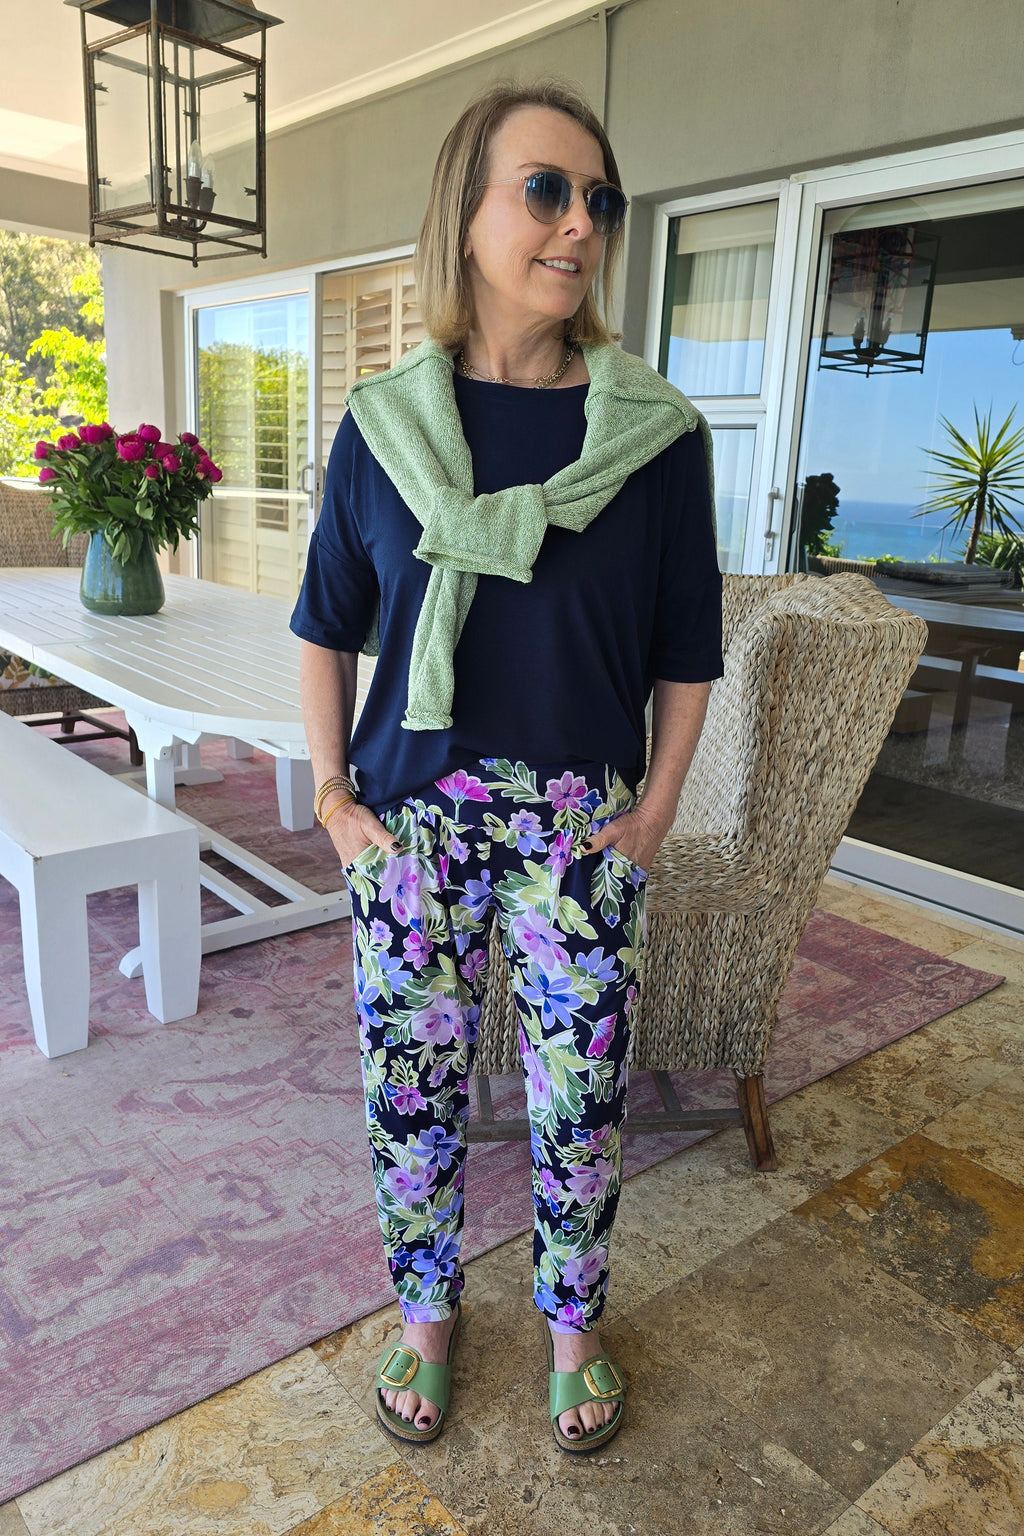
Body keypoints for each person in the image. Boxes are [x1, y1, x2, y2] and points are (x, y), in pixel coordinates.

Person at [290, 77, 724, 1455]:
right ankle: (426, 1313)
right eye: (546, 190)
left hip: (582, 830)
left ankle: (572, 1322)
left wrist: (651, 815)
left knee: (580, 1105)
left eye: (599, 200)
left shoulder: (653, 439)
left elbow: (687, 648)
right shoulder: (383, 432)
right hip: (411, 823)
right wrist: (336, 805)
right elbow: (327, 630)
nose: (580, 223)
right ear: (466, 215)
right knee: (409, 1088)